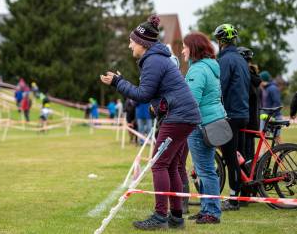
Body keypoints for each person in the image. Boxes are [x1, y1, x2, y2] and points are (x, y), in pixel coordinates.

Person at [100, 14, 200, 230]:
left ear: (142, 43)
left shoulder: (153, 60)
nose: (129, 46)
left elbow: (143, 94)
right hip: (184, 116)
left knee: (159, 165)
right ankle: (175, 216)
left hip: (179, 116)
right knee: (171, 165)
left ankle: (160, 216)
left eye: (131, 41)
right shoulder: (156, 58)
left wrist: (118, 82)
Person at [182, 32, 226, 224]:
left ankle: (212, 212)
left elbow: (191, 101)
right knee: (206, 169)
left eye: (185, 46)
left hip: (201, 125)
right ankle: (207, 209)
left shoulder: (198, 70)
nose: (182, 50)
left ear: (193, 48)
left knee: (206, 170)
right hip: (213, 122)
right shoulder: (210, 67)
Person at [214, 24, 250, 211]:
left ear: (220, 41)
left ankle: (234, 199)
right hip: (243, 112)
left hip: (231, 114)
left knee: (230, 157)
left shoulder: (225, 60)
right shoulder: (241, 59)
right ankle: (245, 191)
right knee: (238, 154)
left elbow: (220, 87)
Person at [237, 47, 261, 166]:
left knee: (245, 155)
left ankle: (249, 182)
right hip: (252, 120)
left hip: (245, 120)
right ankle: (253, 179)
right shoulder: (252, 75)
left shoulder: (245, 77)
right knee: (249, 154)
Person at [259, 70, 282, 142]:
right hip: (266, 117)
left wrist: (272, 115)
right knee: (264, 137)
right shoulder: (265, 89)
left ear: (263, 80)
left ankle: (285, 151)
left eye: (260, 80)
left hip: (274, 117)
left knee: (277, 138)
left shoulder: (272, 88)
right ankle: (264, 153)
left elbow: (277, 103)